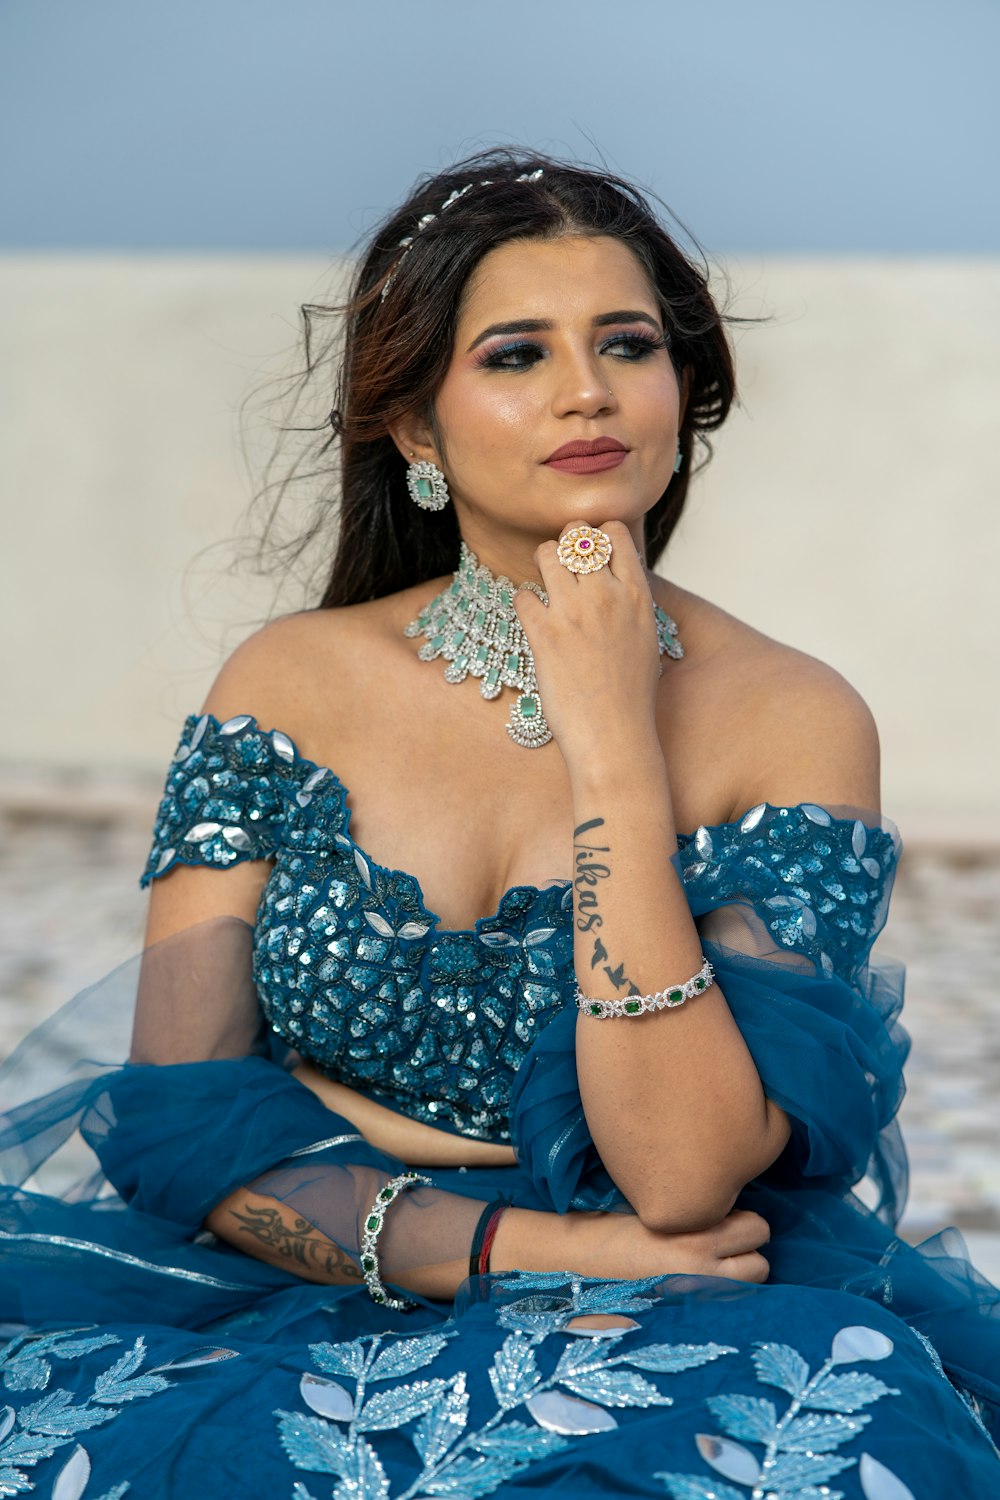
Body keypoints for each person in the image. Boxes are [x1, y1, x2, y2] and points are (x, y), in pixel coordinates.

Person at [1, 148, 998, 1499]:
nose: (585, 390)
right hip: (297, 1306)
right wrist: (550, 1244)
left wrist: (610, 745)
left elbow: (688, 1173)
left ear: (683, 392)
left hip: (691, 1314)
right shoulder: (289, 686)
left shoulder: (792, 718)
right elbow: (181, 1130)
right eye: (518, 354)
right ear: (417, 429)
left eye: (627, 344)